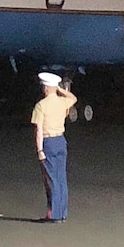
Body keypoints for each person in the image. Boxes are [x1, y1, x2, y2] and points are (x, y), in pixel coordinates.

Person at [31, 72, 77, 224]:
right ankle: (62, 213)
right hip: (60, 140)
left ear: (45, 88)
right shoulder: (62, 102)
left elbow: (38, 130)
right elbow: (73, 98)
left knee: (51, 180)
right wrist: (60, 89)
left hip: (48, 142)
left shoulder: (41, 106)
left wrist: (39, 150)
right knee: (61, 178)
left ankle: (54, 214)